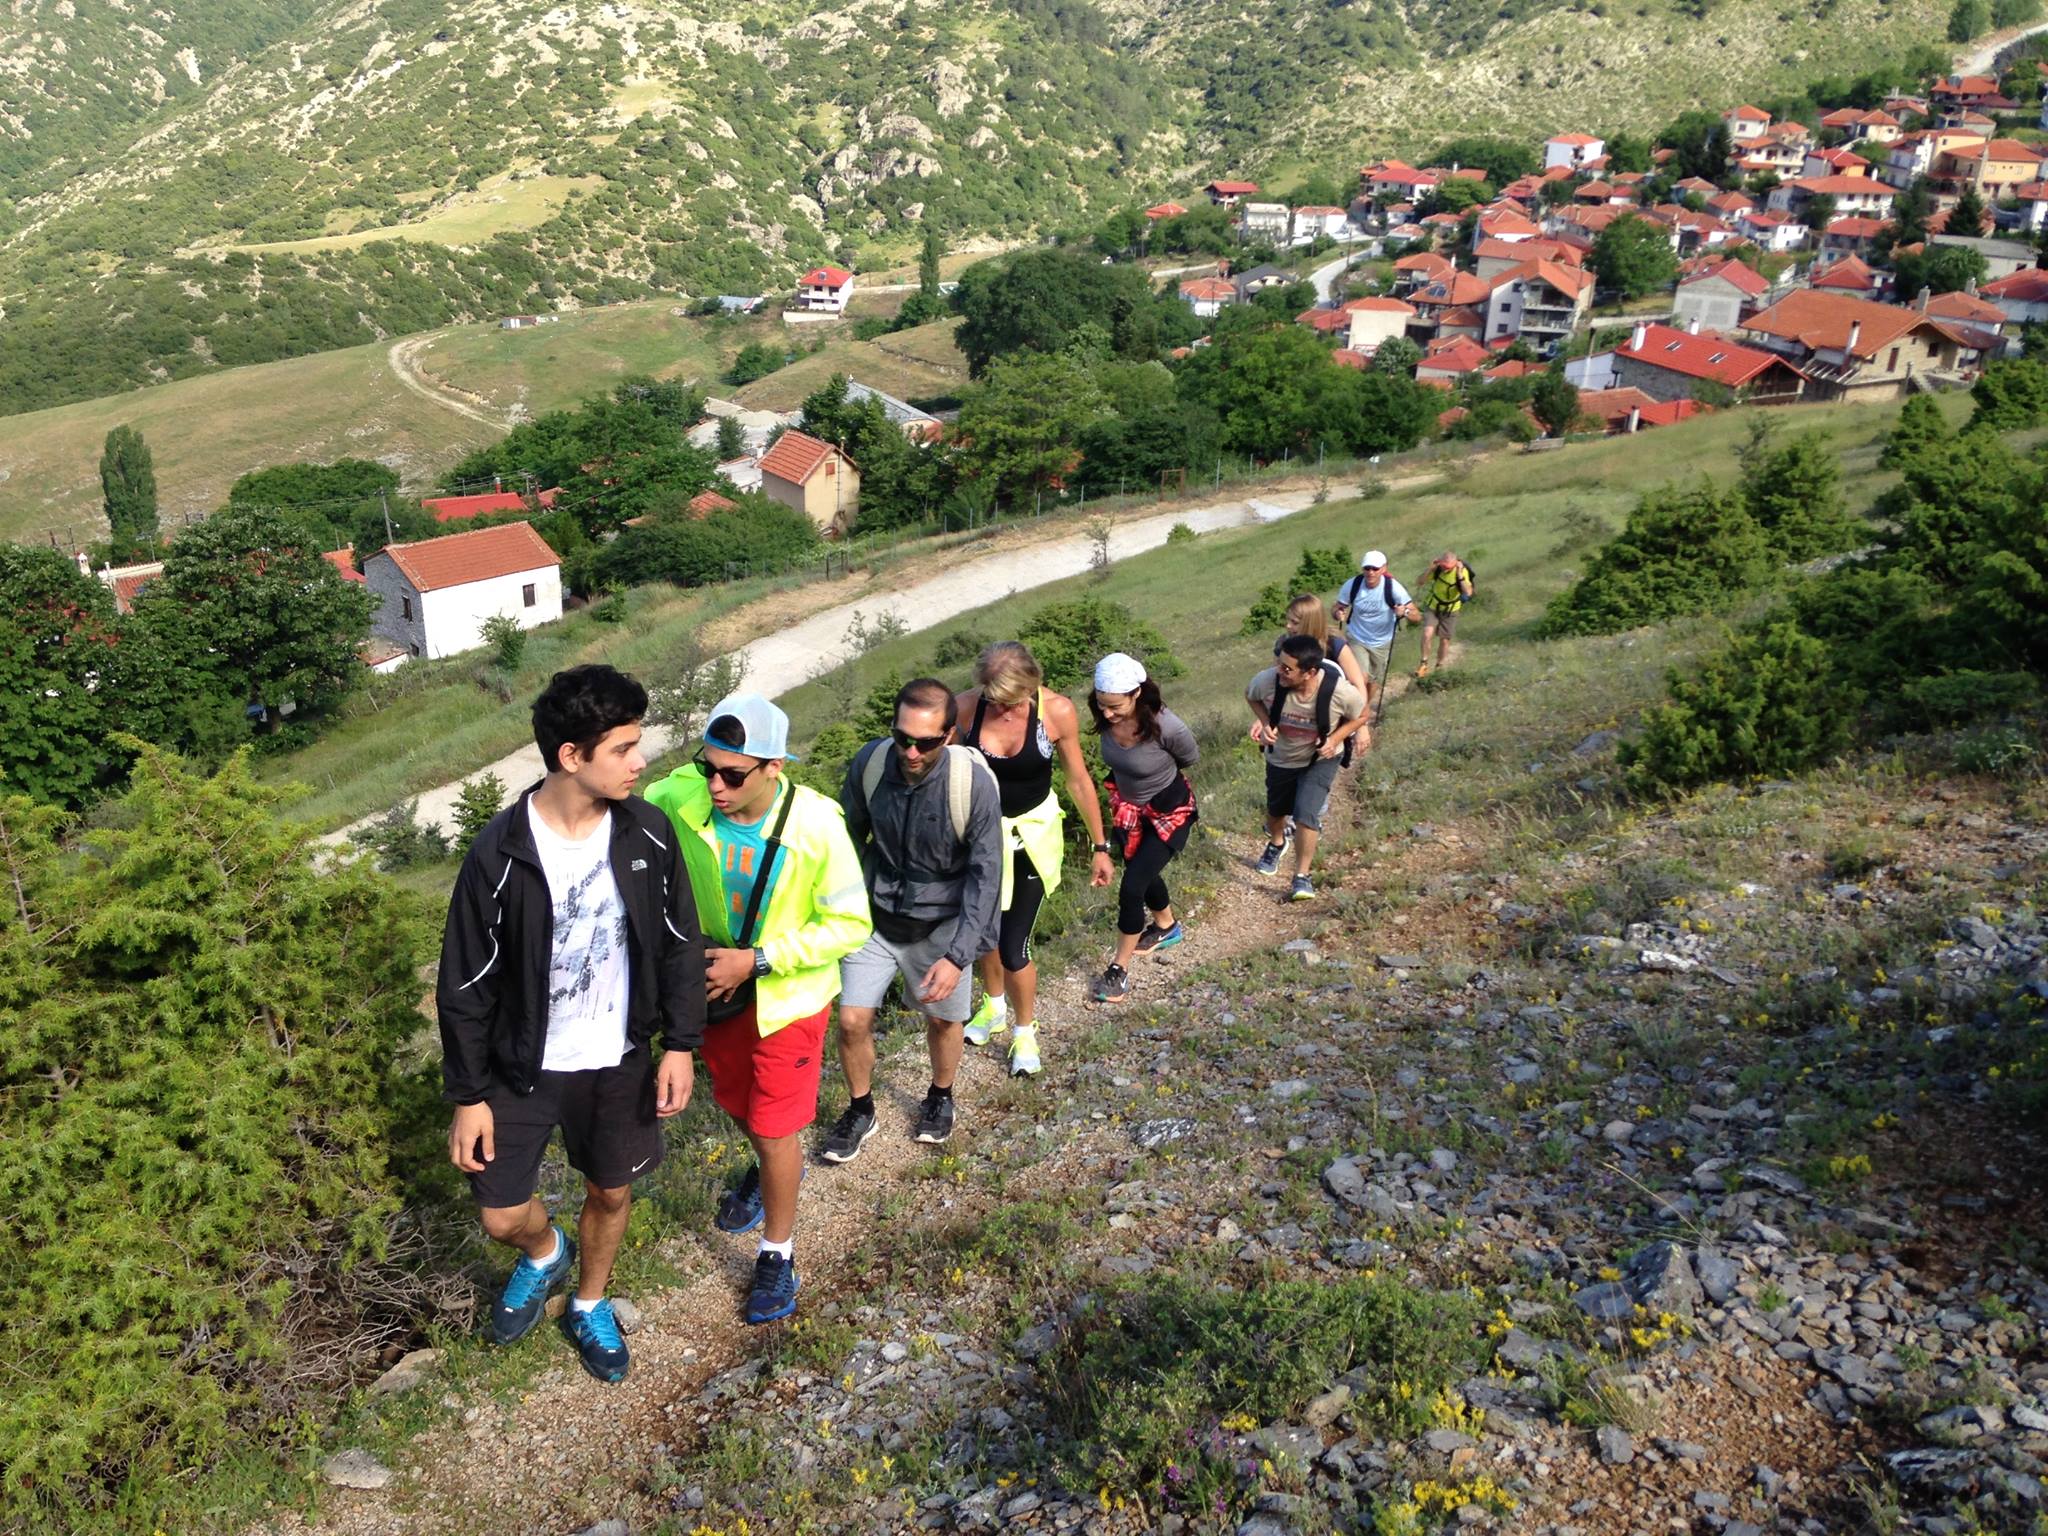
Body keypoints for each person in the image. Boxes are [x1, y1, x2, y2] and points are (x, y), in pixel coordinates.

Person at [437, 665, 704, 1385]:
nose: (641, 761)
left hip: (618, 1059)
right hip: (521, 1066)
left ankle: (590, 1302)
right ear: (571, 757)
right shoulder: (499, 853)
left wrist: (680, 1045)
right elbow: (463, 983)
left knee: (611, 1191)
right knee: (499, 1215)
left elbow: (681, 944)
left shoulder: (648, 831)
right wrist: (467, 1096)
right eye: (623, 748)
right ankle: (543, 1251)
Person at [644, 693, 871, 1326]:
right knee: (743, 1109)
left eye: (732, 775)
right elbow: (628, 804)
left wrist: (761, 960)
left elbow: (850, 923)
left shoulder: (817, 825)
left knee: (775, 1126)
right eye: (707, 766)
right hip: (717, 995)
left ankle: (777, 1253)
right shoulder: (685, 796)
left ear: (774, 767)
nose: (714, 785)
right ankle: (767, 1168)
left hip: (786, 1000)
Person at [820, 677, 1002, 1160]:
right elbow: (844, 839)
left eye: (925, 742)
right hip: (875, 917)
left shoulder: (973, 786)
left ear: (949, 735)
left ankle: (940, 1097)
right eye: (903, 737)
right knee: (852, 1019)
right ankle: (861, 1109)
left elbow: (987, 877)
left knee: (944, 1021)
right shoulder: (873, 764)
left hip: (942, 925)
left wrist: (959, 956)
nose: (911, 751)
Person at [956, 643, 1115, 1075]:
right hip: (979, 837)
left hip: (1032, 835)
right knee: (982, 933)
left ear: (1031, 684)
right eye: (994, 696)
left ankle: (1025, 1032)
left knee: (1013, 945)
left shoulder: (1056, 712)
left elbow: (1078, 779)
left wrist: (1101, 847)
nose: (1002, 706)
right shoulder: (967, 709)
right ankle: (992, 1008)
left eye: (1010, 697)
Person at [1089, 653, 1200, 1004]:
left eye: (1114, 707)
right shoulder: (1105, 719)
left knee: (1132, 885)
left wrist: (1154, 779)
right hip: (1127, 809)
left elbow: (1189, 757)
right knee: (1143, 870)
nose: (1107, 714)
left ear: (1136, 693)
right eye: (1101, 705)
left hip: (1168, 810)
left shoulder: (1167, 726)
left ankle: (1118, 970)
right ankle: (1167, 927)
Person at [1247, 634, 1369, 901]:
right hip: (1282, 757)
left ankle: (1302, 877)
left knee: (1306, 814)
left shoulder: (1337, 691)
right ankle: (1277, 843)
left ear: (1310, 672)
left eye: (1287, 668)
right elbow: (1251, 696)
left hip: (1320, 760)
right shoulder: (1268, 681)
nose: (1280, 671)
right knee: (1276, 811)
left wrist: (1335, 739)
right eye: (1280, 664)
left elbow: (1362, 714)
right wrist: (1266, 723)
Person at [1331, 550, 1421, 720]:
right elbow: (1336, 607)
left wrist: (1405, 611)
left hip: (1382, 641)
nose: (1370, 572)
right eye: (1367, 568)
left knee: (1373, 681)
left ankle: (1363, 708)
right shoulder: (1353, 585)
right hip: (1357, 637)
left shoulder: (1393, 587)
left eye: (1375, 568)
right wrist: (1337, 613)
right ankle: (1355, 715)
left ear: (1383, 569)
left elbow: (1417, 616)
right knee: (1360, 676)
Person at [1275, 592, 1367, 700]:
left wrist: (1356, 713)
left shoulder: (1334, 645)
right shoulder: (1284, 643)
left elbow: (1358, 686)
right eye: (1288, 620)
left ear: (1311, 623)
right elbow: (1275, 678)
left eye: (1295, 622)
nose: (1288, 626)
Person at [1415, 551, 1474, 679]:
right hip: (1433, 606)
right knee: (1427, 633)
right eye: (1443, 566)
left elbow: (1468, 592)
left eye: (1448, 567)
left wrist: (1459, 576)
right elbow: (1419, 582)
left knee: (1445, 640)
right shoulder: (1437, 570)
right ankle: (1423, 663)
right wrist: (1430, 569)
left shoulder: (1462, 572)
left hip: (1451, 609)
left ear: (1455, 564)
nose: (1445, 569)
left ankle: (1439, 666)